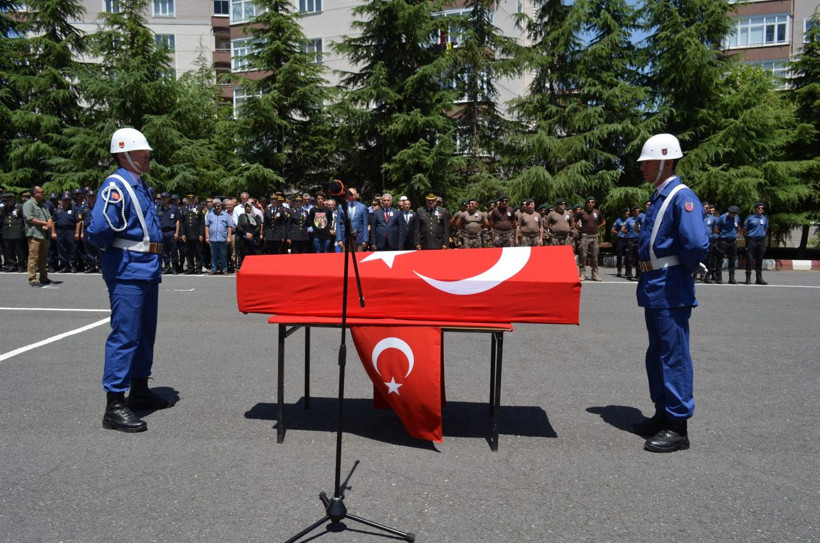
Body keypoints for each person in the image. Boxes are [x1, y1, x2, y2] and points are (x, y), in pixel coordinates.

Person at [86, 127, 175, 433]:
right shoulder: (117, 185)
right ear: (124, 155)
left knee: (144, 333)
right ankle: (114, 404)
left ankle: (138, 390)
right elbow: (98, 229)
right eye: (142, 152)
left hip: (146, 267)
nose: (148, 155)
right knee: (125, 335)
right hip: (128, 268)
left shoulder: (138, 184)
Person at [630, 133, 709, 453]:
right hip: (655, 285)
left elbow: (696, 244)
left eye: (647, 162)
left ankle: (678, 426)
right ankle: (662, 412)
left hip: (670, 284)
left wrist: (681, 270)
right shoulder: (661, 197)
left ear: (665, 160)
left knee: (673, 354)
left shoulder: (681, 197)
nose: (643, 168)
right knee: (657, 353)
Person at [22, 185, 54, 287]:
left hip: (44, 235)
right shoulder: (29, 204)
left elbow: (49, 217)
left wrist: (48, 224)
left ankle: (43, 277)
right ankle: (32, 278)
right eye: (42, 192)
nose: (43, 193)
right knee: (33, 257)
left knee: (43, 258)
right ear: (35, 194)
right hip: (34, 234)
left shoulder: (43, 205)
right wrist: (44, 223)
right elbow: (30, 218)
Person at [575, 196, 606, 281]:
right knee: (583, 255)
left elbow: (604, 222)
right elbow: (574, 222)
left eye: (592, 202)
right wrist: (580, 229)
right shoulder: (581, 213)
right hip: (584, 236)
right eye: (588, 202)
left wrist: (597, 227)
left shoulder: (597, 212)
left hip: (594, 236)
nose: (590, 204)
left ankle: (595, 274)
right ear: (586, 204)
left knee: (595, 255)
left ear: (594, 204)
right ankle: (582, 274)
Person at [742, 202, 769, 285]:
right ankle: (748, 278)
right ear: (755, 209)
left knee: (760, 259)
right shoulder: (750, 218)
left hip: (761, 240)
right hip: (751, 240)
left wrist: (763, 236)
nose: (761, 209)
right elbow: (745, 230)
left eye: (762, 208)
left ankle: (759, 278)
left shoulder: (764, 219)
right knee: (750, 259)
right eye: (759, 208)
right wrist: (747, 239)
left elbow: (766, 228)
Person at [335, 187, 369, 252]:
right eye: (351, 194)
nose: (353, 196)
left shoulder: (362, 207)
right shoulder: (341, 206)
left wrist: (365, 239)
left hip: (359, 239)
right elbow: (338, 224)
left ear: (356, 195)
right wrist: (339, 239)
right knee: (345, 260)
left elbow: (365, 224)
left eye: (354, 194)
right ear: (347, 195)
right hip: (344, 238)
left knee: (358, 260)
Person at [205, 198, 234, 274]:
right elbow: (207, 226)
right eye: (215, 206)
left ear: (221, 206)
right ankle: (214, 269)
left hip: (223, 239)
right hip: (212, 239)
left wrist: (229, 237)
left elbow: (229, 227)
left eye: (218, 206)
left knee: (223, 255)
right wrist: (207, 236)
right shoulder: (210, 215)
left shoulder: (226, 215)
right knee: (213, 255)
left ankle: (224, 269)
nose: (217, 207)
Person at [714, 205, 741, 284]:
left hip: (732, 240)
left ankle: (731, 278)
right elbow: (716, 229)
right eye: (732, 213)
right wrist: (723, 234)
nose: (733, 215)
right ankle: (719, 278)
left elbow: (738, 227)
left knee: (732, 259)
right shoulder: (722, 218)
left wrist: (734, 234)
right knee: (720, 259)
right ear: (729, 212)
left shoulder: (737, 218)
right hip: (723, 240)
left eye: (735, 214)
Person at [1, 192, 27, 272]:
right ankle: (12, 265)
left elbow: (24, 219)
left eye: (8, 201)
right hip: (7, 232)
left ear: (13, 199)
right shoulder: (3, 208)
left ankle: (21, 265)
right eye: (5, 201)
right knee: (9, 250)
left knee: (20, 251)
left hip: (18, 231)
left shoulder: (19, 207)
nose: (7, 203)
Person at [156, 192, 180, 274]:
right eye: (162, 198)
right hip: (162, 232)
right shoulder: (158, 208)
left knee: (173, 251)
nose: (164, 199)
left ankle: (174, 268)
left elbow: (177, 221)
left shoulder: (174, 208)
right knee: (164, 251)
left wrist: (177, 233)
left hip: (171, 232)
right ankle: (167, 267)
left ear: (168, 199)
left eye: (165, 198)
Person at [235, 201, 262, 268]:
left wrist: (252, 234)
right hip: (244, 237)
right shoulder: (242, 216)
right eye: (246, 207)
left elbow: (258, 226)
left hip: (254, 237)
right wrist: (246, 233)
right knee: (243, 253)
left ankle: (253, 266)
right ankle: (244, 266)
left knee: (253, 253)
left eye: (248, 207)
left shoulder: (256, 216)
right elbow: (239, 226)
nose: (247, 208)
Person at [611, 208, 629, 277]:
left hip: (628, 239)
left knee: (628, 256)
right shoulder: (618, 220)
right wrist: (618, 233)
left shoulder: (630, 220)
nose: (626, 215)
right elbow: (613, 230)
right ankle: (619, 271)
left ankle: (627, 271)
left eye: (627, 214)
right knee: (619, 255)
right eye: (625, 214)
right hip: (621, 239)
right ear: (622, 214)